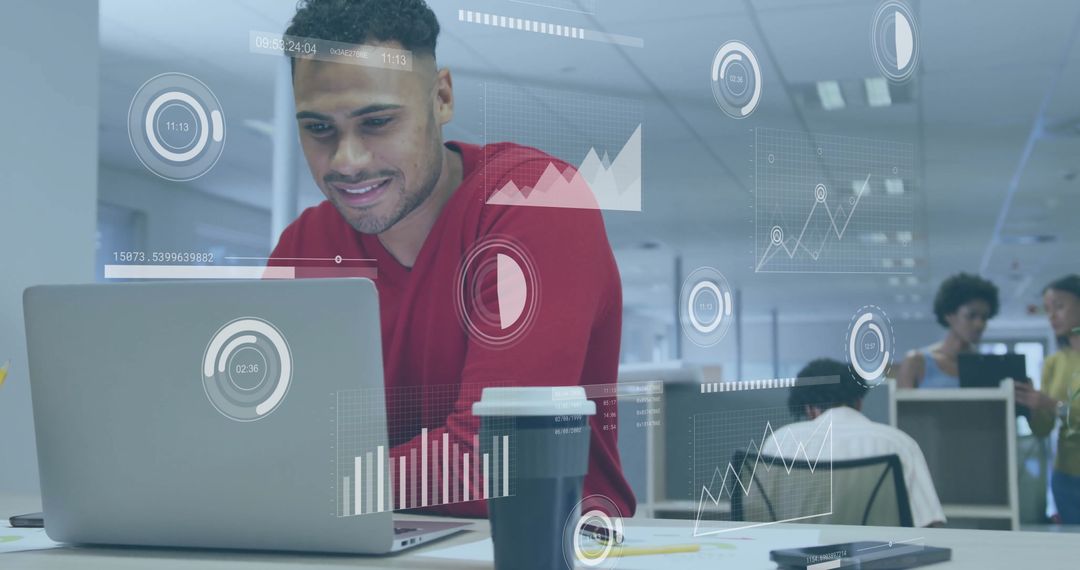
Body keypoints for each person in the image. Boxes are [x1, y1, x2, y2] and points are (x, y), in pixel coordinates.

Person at [268, 0, 635, 517]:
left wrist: (287, 487)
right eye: (319, 129)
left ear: (441, 97)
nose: (347, 161)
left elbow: (496, 462)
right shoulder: (301, 249)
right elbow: (266, 449)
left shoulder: (537, 202)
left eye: (376, 122)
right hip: (360, 541)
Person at [765, 359, 946, 527]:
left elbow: (755, 513)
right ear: (859, 403)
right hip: (878, 556)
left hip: (797, 558)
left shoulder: (780, 441)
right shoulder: (897, 443)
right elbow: (929, 522)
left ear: (810, 409)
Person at [1016, 275, 1080, 524]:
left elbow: (1057, 409)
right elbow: (1043, 429)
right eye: (1048, 310)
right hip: (1064, 476)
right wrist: (1032, 404)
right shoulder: (1053, 363)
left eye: (1060, 307)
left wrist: (1053, 405)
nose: (1052, 316)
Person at [897, 273, 999, 389]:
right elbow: (901, 406)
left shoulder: (985, 368)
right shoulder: (916, 362)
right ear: (949, 315)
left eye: (984, 318)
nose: (979, 324)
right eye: (971, 316)